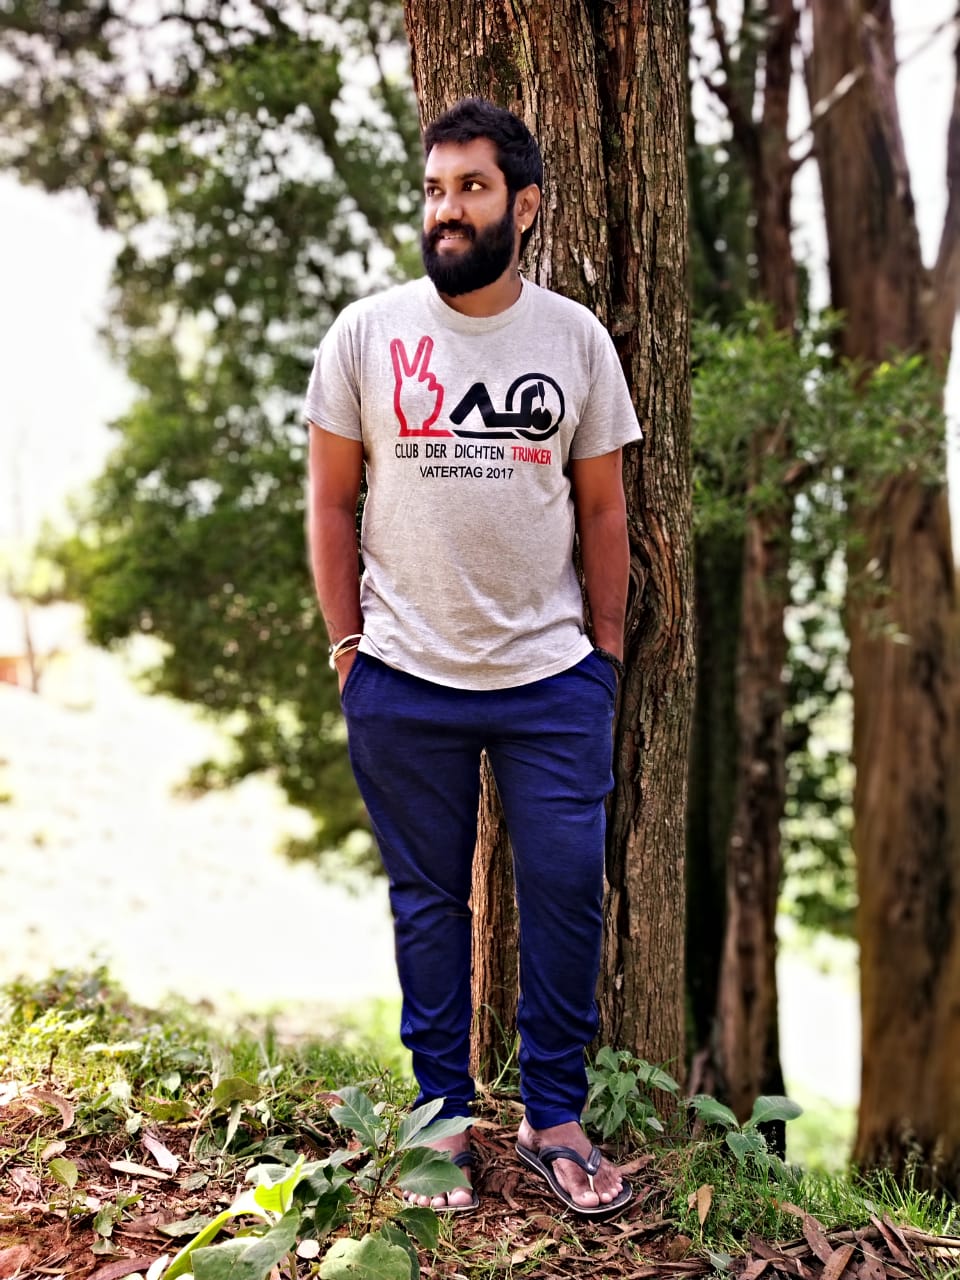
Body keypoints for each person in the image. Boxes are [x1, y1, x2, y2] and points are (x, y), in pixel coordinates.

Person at [305, 98, 641, 1221]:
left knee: (564, 892)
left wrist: (602, 657)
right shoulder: (365, 334)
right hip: (403, 675)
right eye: (435, 190)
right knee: (428, 903)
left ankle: (555, 1116)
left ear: (524, 206)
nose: (446, 211)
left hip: (552, 680)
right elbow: (331, 500)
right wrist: (349, 647)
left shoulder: (575, 341)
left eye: (472, 189)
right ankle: (441, 1116)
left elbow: (605, 510)